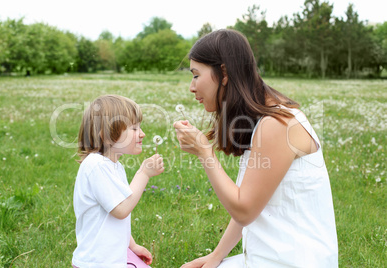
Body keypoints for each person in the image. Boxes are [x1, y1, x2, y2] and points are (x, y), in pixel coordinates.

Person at [174, 29, 338, 267]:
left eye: (196, 75)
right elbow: (252, 202)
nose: (191, 86)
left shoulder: (278, 124)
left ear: (224, 73)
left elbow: (244, 210)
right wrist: (216, 256)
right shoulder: (264, 119)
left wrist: (205, 152)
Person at [72, 95, 164, 268]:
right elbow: (121, 209)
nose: (142, 133)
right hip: (97, 262)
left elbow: (116, 213)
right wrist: (143, 174)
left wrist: (132, 245)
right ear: (106, 135)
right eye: (134, 128)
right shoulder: (96, 166)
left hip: (111, 257)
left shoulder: (114, 166)